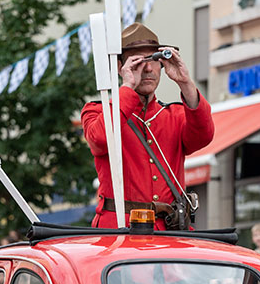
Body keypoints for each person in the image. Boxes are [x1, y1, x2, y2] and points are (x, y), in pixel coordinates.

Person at [81, 22, 214, 229]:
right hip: (120, 230)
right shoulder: (98, 111)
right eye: (139, 62)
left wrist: (185, 82)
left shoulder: (174, 114)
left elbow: (204, 136)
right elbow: (100, 140)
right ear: (120, 67)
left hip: (170, 231)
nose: (149, 68)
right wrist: (127, 87)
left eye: (155, 60)